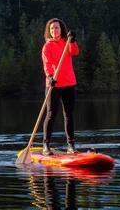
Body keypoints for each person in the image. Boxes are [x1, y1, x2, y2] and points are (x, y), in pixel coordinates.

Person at [41, 18, 79, 155]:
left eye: (56, 28)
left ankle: (71, 145)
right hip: (53, 84)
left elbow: (74, 52)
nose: (54, 31)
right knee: (51, 114)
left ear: (61, 29)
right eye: (51, 29)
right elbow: (47, 63)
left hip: (69, 83)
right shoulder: (47, 46)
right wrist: (50, 77)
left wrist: (73, 40)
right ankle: (46, 145)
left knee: (68, 114)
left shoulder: (67, 42)